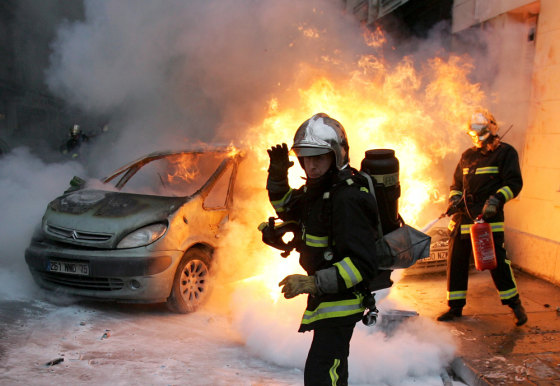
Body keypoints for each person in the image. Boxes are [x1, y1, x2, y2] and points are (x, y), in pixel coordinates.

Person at [266, 113, 380, 385]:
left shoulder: (347, 198)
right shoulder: (317, 190)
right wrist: (278, 176)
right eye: (306, 158)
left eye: (319, 158)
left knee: (323, 374)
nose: (311, 166)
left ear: (337, 156)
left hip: (342, 301)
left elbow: (362, 264)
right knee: (326, 370)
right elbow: (286, 207)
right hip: (328, 299)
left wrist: (312, 283)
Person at [437, 108, 527, 326]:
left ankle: (515, 305)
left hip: (488, 219)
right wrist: (454, 200)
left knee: (497, 264)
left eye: (481, 133)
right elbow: (456, 184)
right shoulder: (468, 156)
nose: (477, 139)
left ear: (491, 129)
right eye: (473, 134)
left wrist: (496, 200)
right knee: (456, 262)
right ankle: (455, 307)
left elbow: (514, 183)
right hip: (463, 219)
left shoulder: (506, 153)